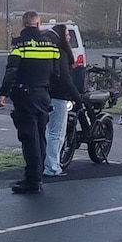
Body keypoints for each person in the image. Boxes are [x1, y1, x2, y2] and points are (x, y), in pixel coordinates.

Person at [0, 11, 61, 194]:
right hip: (43, 94)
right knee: (41, 136)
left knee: (29, 138)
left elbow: (11, 71)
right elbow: (56, 72)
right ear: (38, 23)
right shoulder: (51, 44)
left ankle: (32, 180)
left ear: (24, 24)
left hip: (25, 95)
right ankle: (37, 176)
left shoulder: (19, 44)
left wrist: (3, 93)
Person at [44, 23, 83, 176]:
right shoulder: (62, 53)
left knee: (47, 131)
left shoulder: (48, 50)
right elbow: (65, 79)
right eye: (67, 34)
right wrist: (76, 97)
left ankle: (44, 163)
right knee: (56, 133)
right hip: (59, 96)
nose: (68, 37)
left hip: (45, 94)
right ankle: (52, 167)